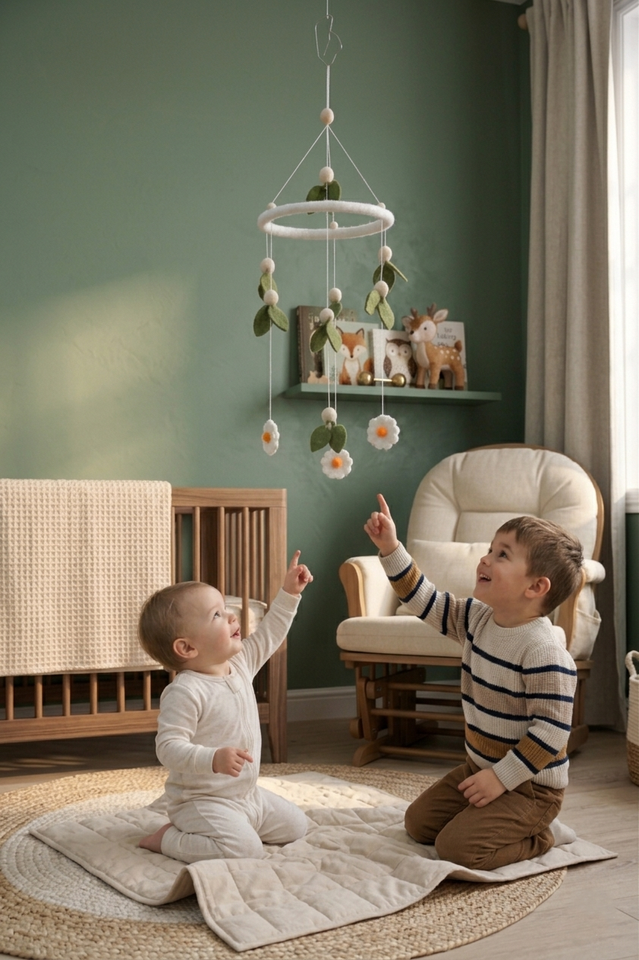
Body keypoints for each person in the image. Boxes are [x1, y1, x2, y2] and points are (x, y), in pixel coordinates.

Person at [364, 494, 582, 871]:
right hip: (480, 768)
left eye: (502, 555)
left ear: (535, 587)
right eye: (490, 550)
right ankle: (497, 818)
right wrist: (390, 548)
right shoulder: (477, 619)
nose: (485, 559)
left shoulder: (544, 651)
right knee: (418, 824)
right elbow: (425, 600)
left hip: (531, 788)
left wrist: (501, 779)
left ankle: (543, 834)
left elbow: (550, 733)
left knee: (458, 849)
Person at [136, 551, 313, 863]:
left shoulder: (241, 663)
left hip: (246, 794)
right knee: (244, 851)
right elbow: (168, 747)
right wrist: (212, 758)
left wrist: (289, 593)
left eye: (226, 609)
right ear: (187, 647)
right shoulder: (185, 691)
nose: (232, 616)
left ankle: (235, 826)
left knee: (297, 826)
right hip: (201, 801)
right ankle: (167, 838)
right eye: (217, 615)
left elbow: (270, 633)